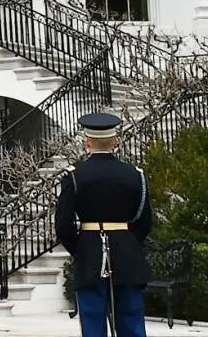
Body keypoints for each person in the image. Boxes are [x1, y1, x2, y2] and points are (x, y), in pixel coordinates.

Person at [54, 112, 152, 337]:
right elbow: (144, 221)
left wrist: (81, 248)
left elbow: (63, 225)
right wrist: (126, 241)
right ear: (116, 140)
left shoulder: (75, 175)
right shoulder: (134, 175)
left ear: (87, 141)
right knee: (131, 319)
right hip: (127, 252)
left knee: (93, 322)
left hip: (90, 252)